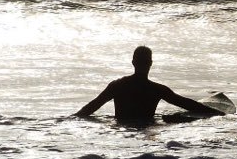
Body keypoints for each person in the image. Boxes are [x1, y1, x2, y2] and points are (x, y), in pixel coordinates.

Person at [74, 46, 225, 124]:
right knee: (174, 120)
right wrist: (218, 113)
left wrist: (72, 118)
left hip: (121, 130)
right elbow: (187, 104)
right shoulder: (157, 89)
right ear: (151, 64)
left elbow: (90, 108)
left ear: (133, 63)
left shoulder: (117, 86)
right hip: (147, 127)